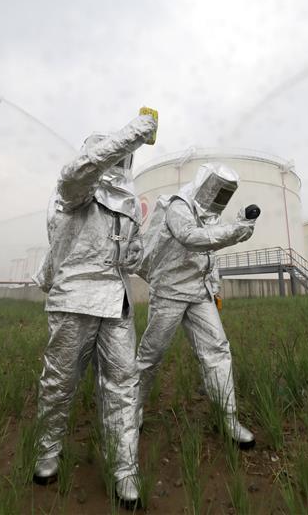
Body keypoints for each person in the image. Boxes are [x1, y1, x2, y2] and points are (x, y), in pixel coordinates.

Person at [31, 109, 157, 508]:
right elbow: (78, 173)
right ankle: (47, 452)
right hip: (75, 300)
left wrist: (146, 249)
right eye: (116, 155)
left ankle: (123, 468)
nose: (121, 163)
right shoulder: (75, 190)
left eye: (125, 158)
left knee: (123, 385)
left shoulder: (130, 204)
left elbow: (132, 257)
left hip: (116, 304)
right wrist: (135, 131)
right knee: (60, 382)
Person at [135, 163, 258, 448]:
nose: (221, 198)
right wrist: (235, 231)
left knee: (218, 350)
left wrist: (214, 289)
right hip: (169, 292)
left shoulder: (211, 217)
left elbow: (209, 259)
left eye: (227, 193)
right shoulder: (178, 206)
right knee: (151, 354)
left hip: (199, 295)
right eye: (219, 191)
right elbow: (191, 238)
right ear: (207, 185)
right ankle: (133, 408)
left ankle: (229, 418)